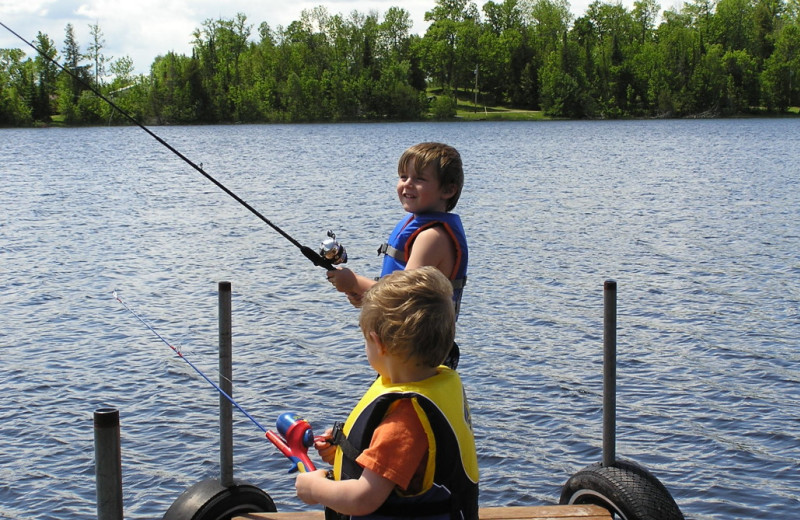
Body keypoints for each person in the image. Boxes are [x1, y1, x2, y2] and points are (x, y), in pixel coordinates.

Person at [296, 267, 479, 520]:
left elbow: (363, 498)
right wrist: (345, 451)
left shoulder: (404, 423)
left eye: (365, 341)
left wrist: (314, 488)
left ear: (378, 342)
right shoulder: (432, 386)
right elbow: (400, 467)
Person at [327, 142, 468, 368]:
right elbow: (404, 294)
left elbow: (400, 299)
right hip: (408, 350)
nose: (407, 184)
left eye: (419, 179)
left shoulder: (431, 238)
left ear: (448, 190)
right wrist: (364, 295)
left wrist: (354, 281)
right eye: (403, 177)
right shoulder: (420, 227)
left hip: (416, 356)